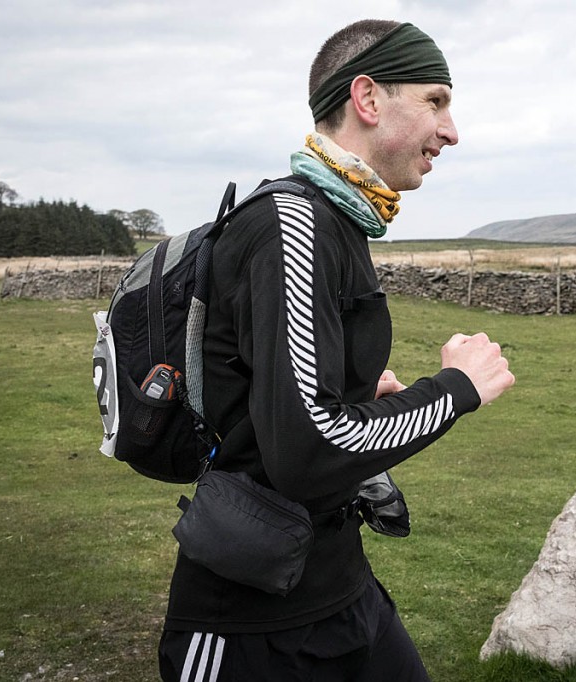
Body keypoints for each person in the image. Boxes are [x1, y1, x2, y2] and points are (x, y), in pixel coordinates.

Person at [158, 19, 514, 681]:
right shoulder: (294, 224)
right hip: (250, 631)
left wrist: (357, 397)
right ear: (369, 99)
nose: (452, 130)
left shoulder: (341, 222)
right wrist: (455, 388)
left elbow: (290, 412)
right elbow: (310, 450)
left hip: (339, 591)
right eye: (436, 101)